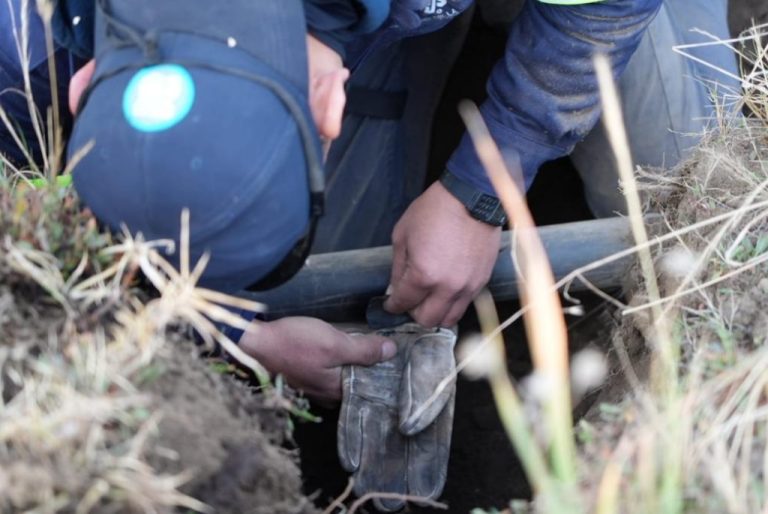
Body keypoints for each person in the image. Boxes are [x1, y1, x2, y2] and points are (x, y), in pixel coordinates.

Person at [0, 0, 739, 404]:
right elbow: (46, 274)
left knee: (689, 193)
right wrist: (233, 335)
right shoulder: (26, 49)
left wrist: (485, 187)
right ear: (84, 84)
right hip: (386, 25)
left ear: (328, 105)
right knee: (332, 293)